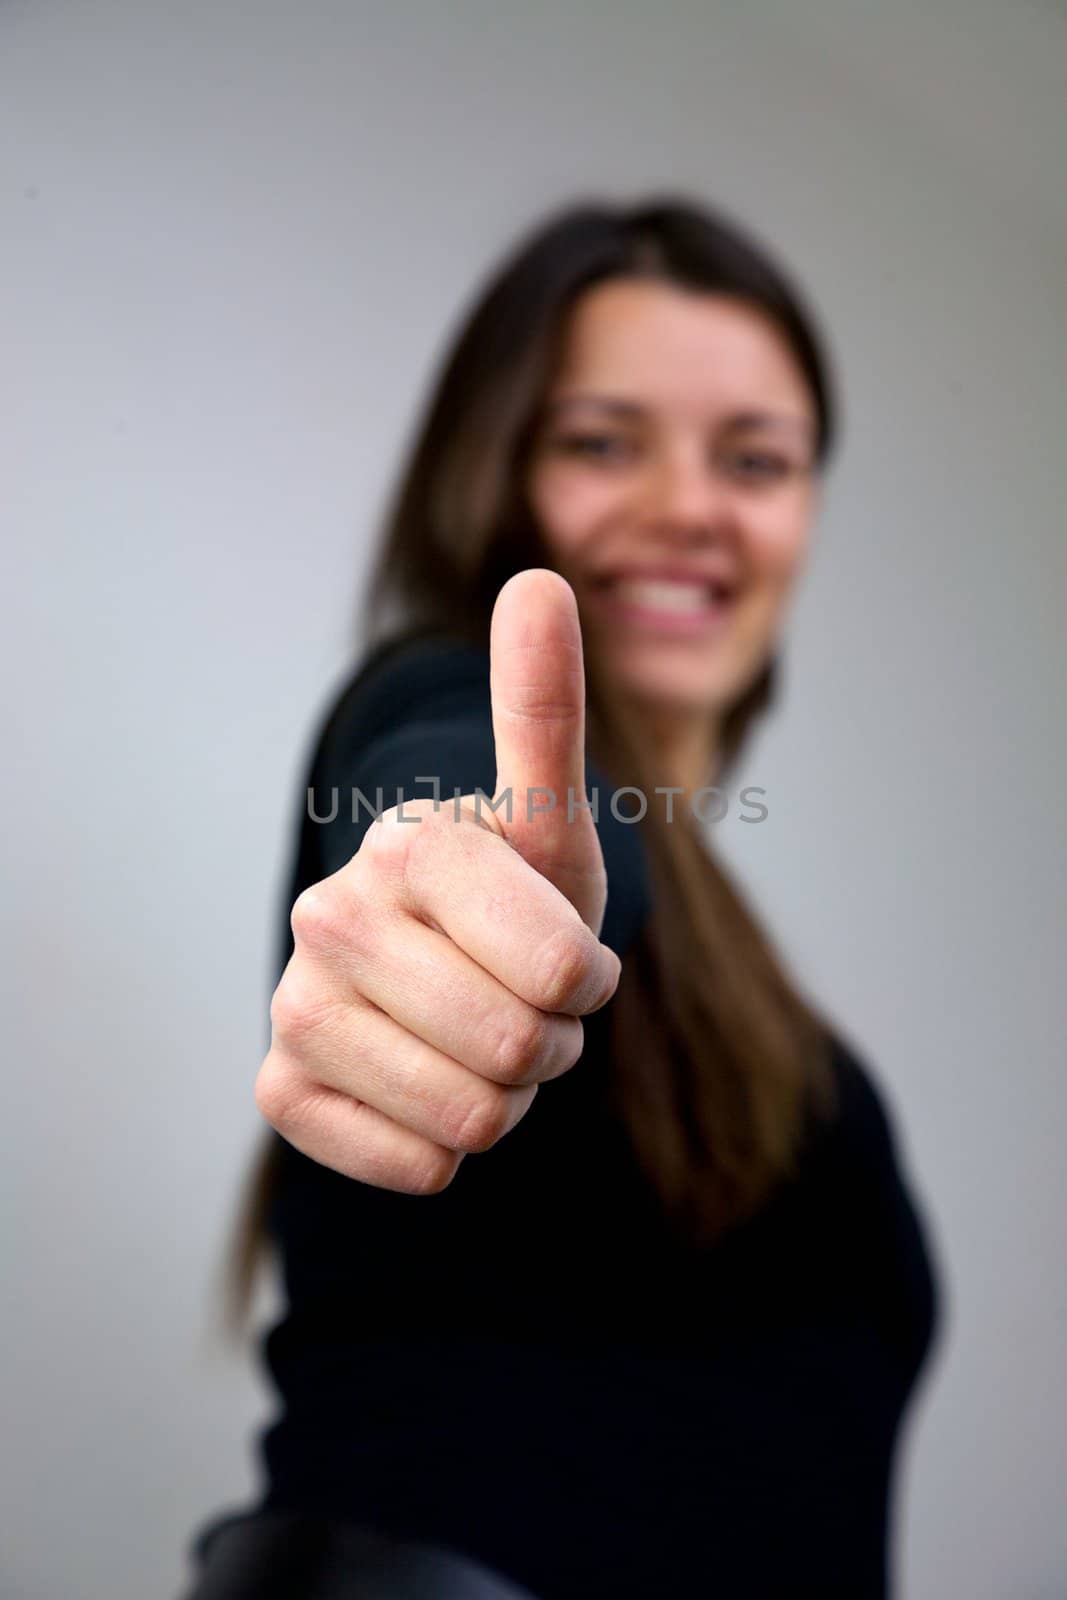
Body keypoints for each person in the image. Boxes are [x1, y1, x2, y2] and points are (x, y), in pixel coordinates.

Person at [182, 197, 941, 1599]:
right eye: (603, 441)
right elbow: (485, 792)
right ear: (499, 470)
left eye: (756, 459)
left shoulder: (740, 973)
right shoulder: (438, 691)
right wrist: (472, 882)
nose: (689, 507)